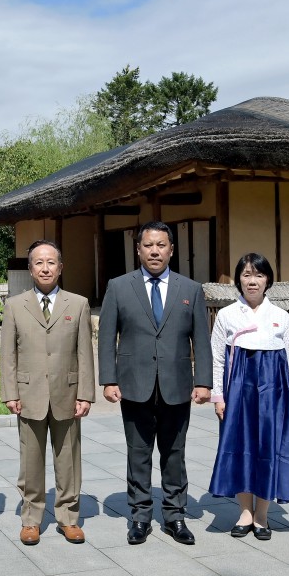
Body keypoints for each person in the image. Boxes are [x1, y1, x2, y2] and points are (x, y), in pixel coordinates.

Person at [98, 221, 212, 546]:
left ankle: (175, 516)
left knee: (175, 454)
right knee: (139, 453)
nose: (154, 251)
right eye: (148, 245)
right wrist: (108, 379)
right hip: (134, 385)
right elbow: (107, 338)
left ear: (171, 249)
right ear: (138, 249)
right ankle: (140, 517)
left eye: (161, 245)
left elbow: (200, 340)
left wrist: (203, 381)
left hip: (177, 385)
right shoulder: (119, 287)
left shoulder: (189, 289)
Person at [0, 240, 95, 546]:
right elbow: (8, 354)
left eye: (51, 262)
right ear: (30, 269)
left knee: (68, 459)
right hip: (29, 394)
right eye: (38, 262)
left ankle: (69, 517)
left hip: (67, 392)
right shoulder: (15, 305)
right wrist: (10, 392)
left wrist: (85, 393)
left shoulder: (77, 304)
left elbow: (84, 353)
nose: (45, 268)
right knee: (31, 460)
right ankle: (31, 519)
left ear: (61, 267)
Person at [208, 253, 289, 541]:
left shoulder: (281, 317)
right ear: (238, 279)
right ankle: (245, 512)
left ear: (268, 280)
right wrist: (218, 396)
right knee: (240, 447)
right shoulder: (226, 315)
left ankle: (262, 514)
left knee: (268, 449)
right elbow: (217, 360)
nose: (253, 281)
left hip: (275, 392)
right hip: (238, 390)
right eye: (247, 275)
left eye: (259, 275)